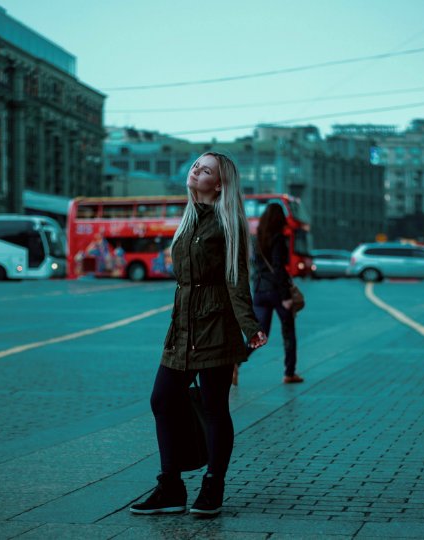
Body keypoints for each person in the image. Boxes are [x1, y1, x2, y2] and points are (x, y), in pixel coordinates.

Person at [130, 152, 267, 518]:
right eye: (195, 165)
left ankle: (213, 485)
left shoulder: (228, 224)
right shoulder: (188, 219)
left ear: (219, 183)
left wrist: (249, 327)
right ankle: (171, 487)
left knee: (214, 408)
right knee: (162, 399)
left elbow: (235, 279)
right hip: (182, 325)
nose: (196, 171)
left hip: (215, 325)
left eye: (205, 170)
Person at [241, 202, 301, 385]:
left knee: (260, 333)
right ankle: (289, 373)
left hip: (259, 290)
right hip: (276, 291)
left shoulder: (255, 239)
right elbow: (278, 268)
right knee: (288, 332)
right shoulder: (278, 239)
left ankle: (234, 363)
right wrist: (286, 297)